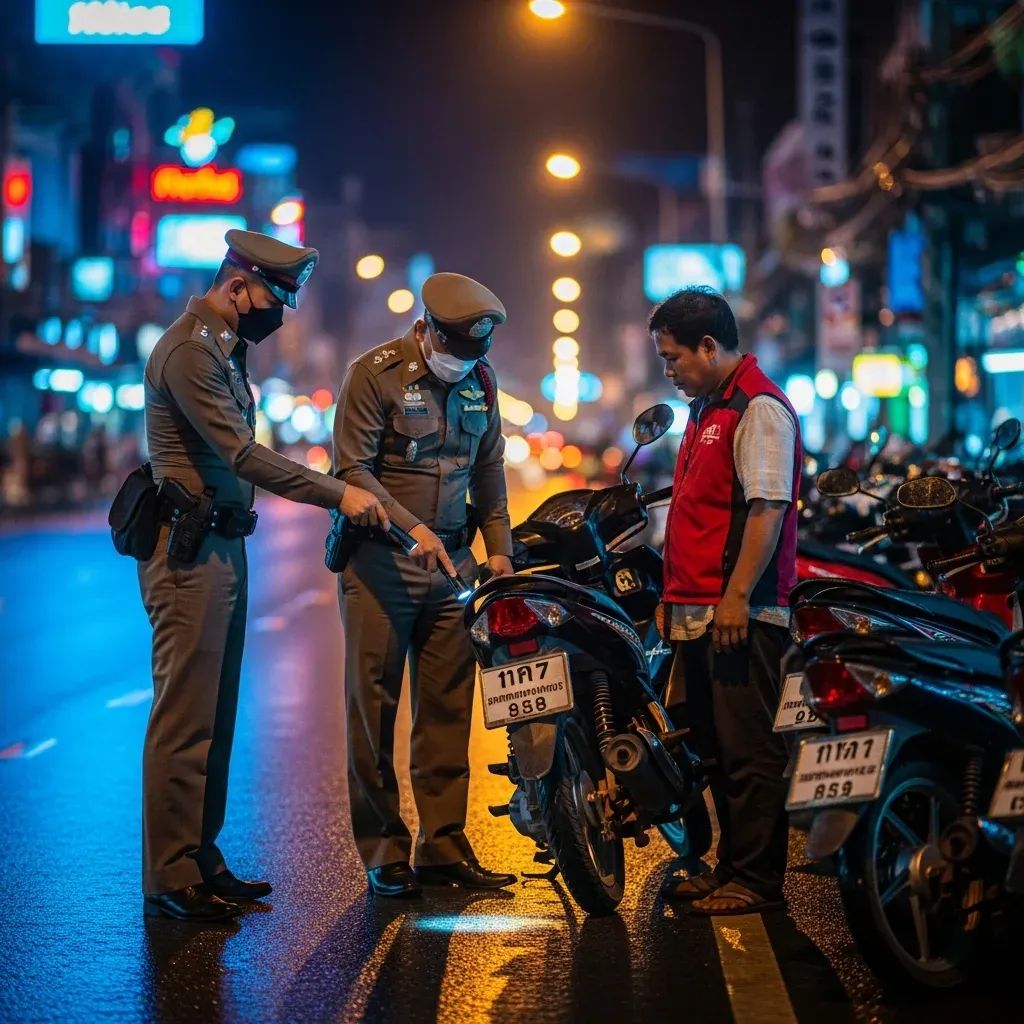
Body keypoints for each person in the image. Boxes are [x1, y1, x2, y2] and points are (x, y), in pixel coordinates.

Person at [138, 229, 387, 921]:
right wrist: (340, 492)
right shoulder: (191, 351)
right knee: (184, 717)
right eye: (274, 298)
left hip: (221, 545)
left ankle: (199, 855)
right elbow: (242, 456)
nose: (277, 313)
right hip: (187, 552)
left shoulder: (222, 349)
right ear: (237, 286)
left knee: (213, 714)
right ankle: (169, 872)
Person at [333, 271, 517, 898]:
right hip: (381, 565)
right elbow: (351, 469)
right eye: (455, 351)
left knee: (446, 710)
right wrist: (413, 529)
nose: (462, 366)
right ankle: (384, 851)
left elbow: (489, 470)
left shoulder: (481, 380)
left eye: (474, 357)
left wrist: (500, 554)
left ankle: (442, 847)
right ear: (428, 329)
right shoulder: (374, 374)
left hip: (454, 569)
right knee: (374, 709)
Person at [651, 286, 801, 916]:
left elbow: (767, 510)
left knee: (749, 752)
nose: (669, 370)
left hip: (741, 614)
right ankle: (729, 868)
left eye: (674, 358)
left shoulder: (757, 407)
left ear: (708, 347)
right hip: (699, 612)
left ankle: (759, 883)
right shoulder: (709, 406)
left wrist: (737, 596)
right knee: (713, 749)